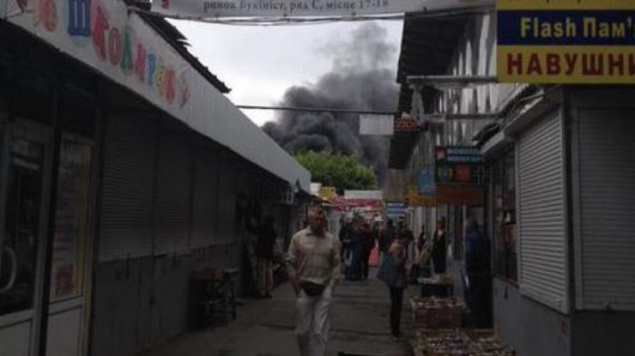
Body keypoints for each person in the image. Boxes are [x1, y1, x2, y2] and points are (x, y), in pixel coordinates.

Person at [287, 207, 341, 356]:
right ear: (309, 220)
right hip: (304, 287)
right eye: (316, 219)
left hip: (324, 287)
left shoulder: (332, 240)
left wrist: (332, 284)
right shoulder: (298, 238)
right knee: (302, 331)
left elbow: (336, 264)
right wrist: (294, 283)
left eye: (322, 219)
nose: (320, 222)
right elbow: (290, 261)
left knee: (319, 330)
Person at [377, 232, 409, 338]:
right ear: (404, 239)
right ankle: (395, 329)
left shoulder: (394, 245)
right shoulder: (398, 247)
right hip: (396, 281)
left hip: (393, 280)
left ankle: (395, 328)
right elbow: (396, 263)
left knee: (395, 304)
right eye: (408, 240)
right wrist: (404, 260)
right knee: (396, 305)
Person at [465, 218, 492, 328]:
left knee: (475, 299)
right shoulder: (484, 237)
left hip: (474, 273)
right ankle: (483, 321)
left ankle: (477, 323)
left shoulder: (471, 239)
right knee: (483, 300)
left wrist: (469, 270)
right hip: (484, 273)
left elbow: (470, 255)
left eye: (465, 227)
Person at [255, 215, 277, 298]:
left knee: (262, 272)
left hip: (262, 253)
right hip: (269, 254)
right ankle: (269, 290)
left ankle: (262, 291)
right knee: (269, 272)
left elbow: (254, 230)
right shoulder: (273, 231)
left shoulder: (263, 228)